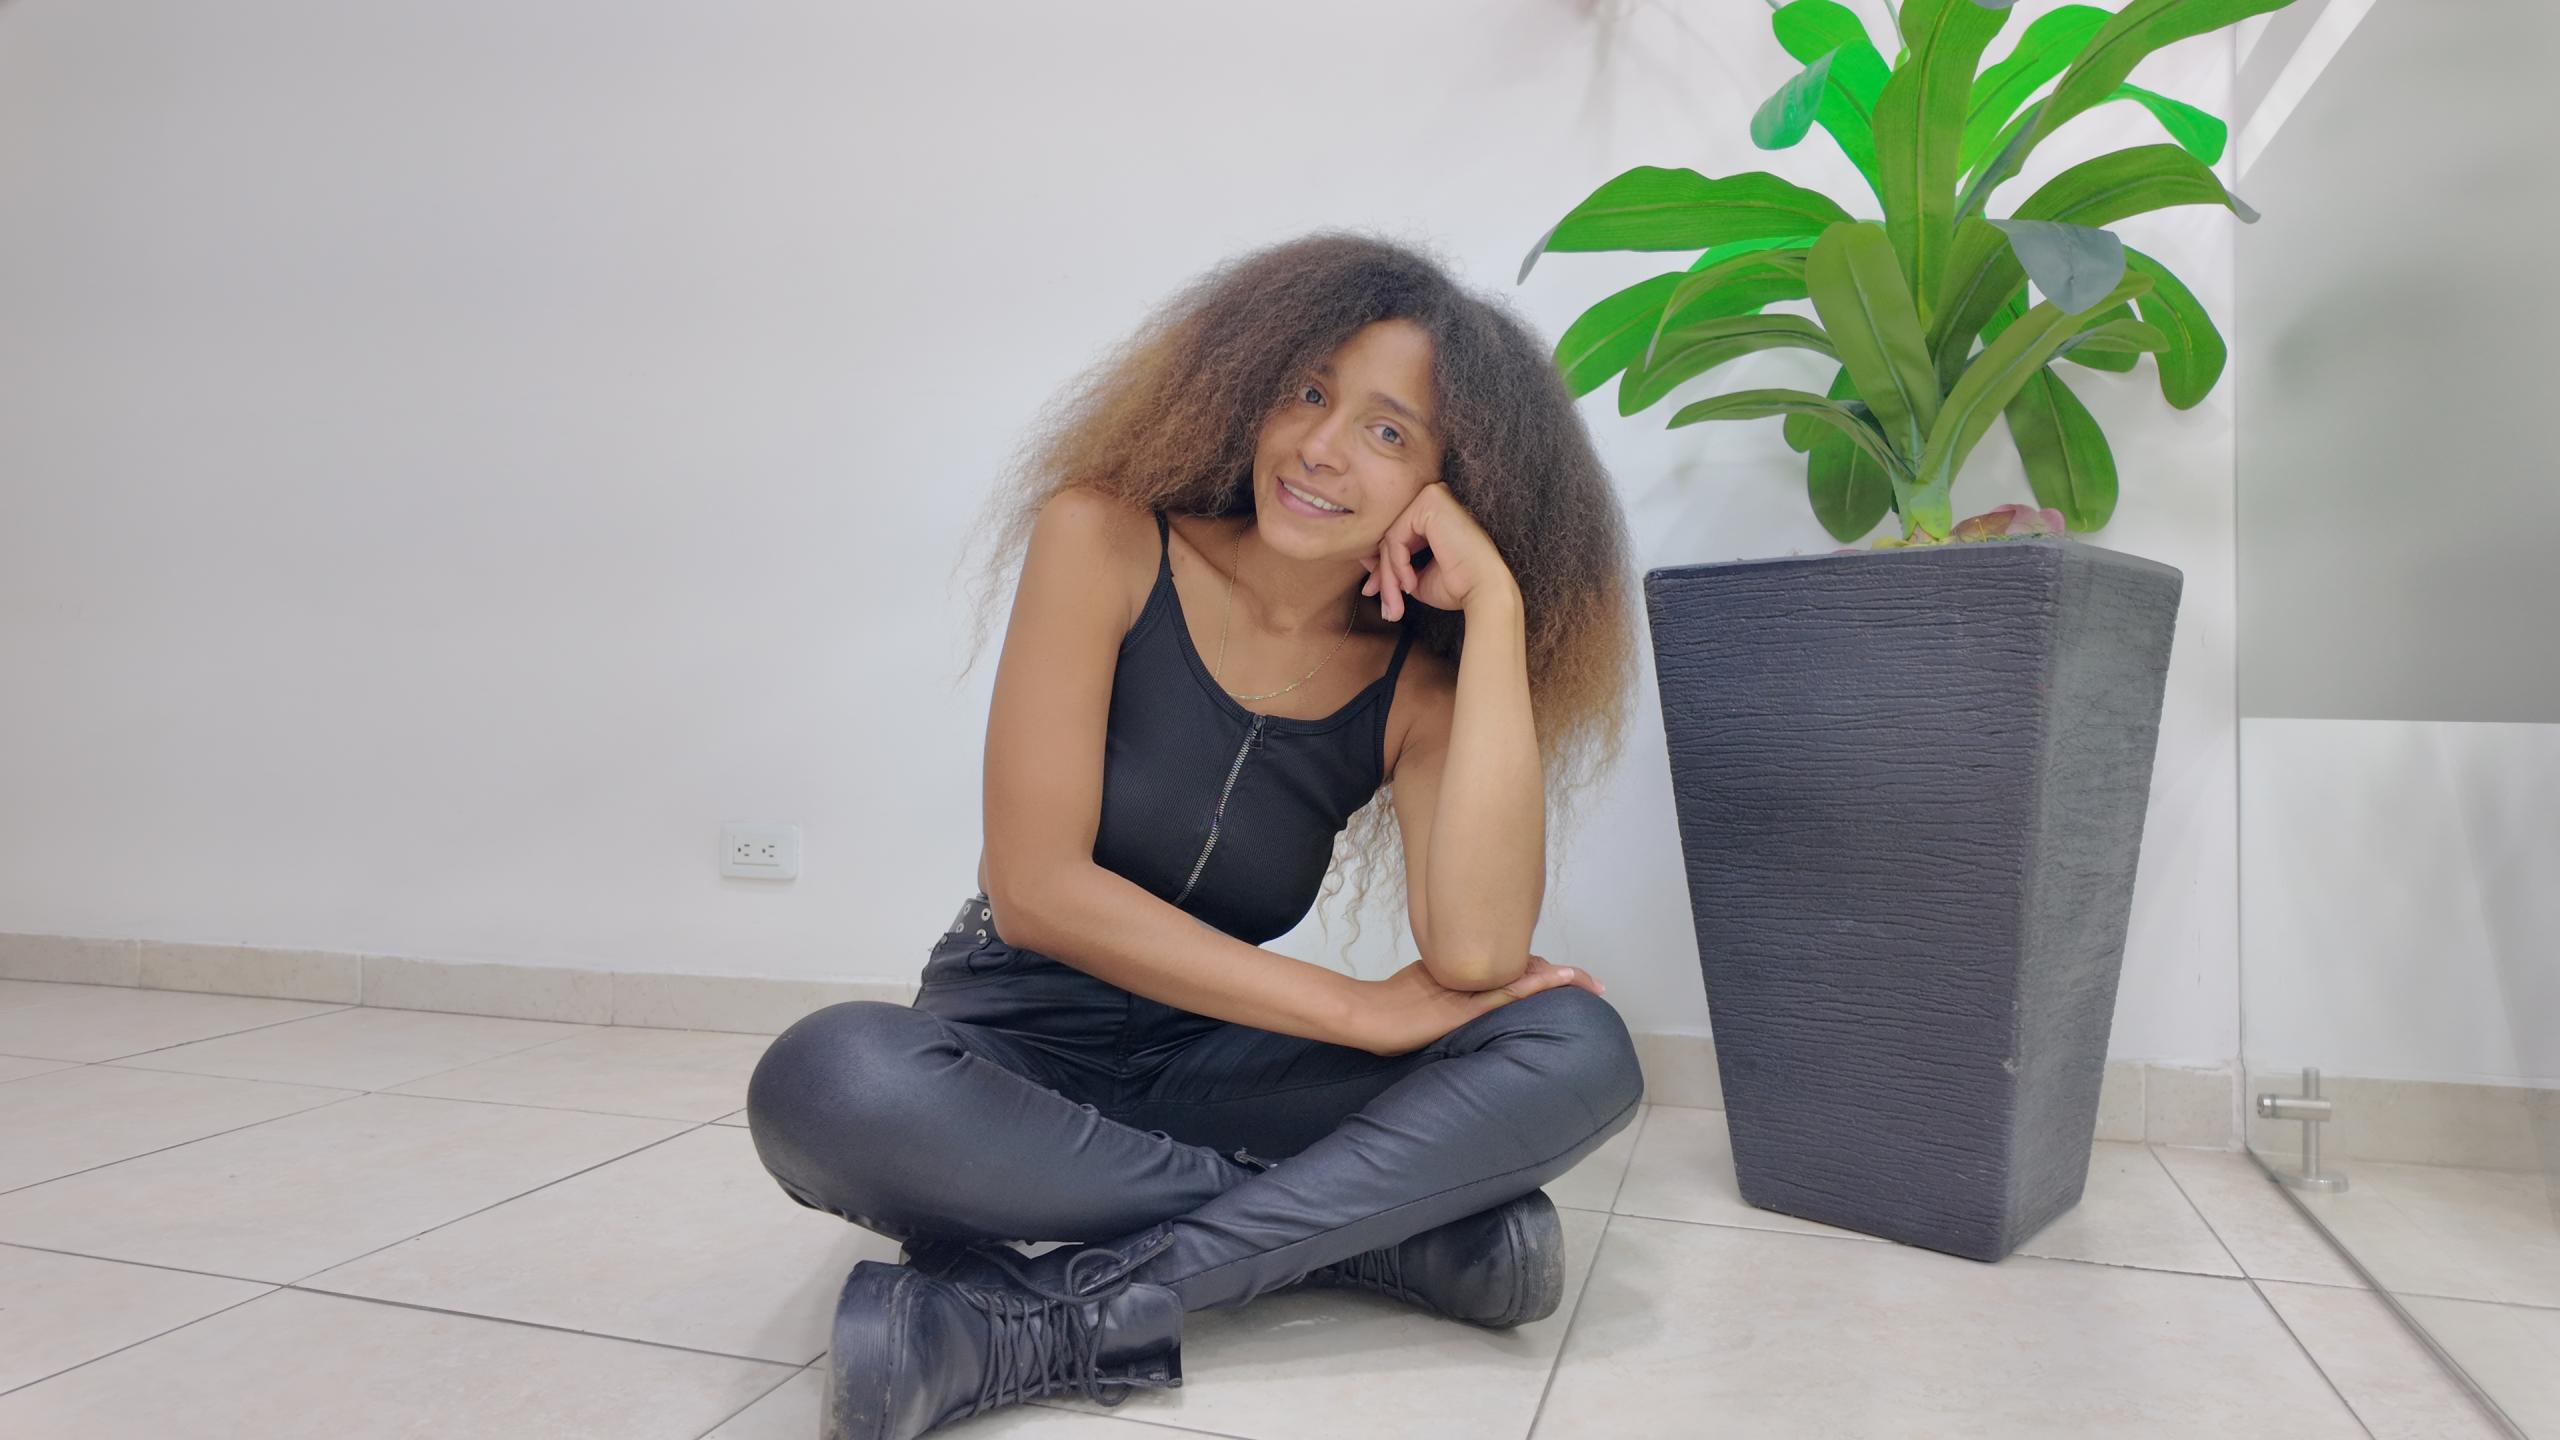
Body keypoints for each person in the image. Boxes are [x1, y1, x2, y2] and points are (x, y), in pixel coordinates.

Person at [745, 231, 1646, 1440]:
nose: (1321, 447)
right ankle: (1369, 1241)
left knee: (1575, 1042)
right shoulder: (1104, 538)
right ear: (1247, 387)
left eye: (1389, 432)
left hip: (1213, 1072)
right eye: (1307, 392)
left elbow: (1478, 956)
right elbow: (1037, 891)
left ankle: (1039, 1323)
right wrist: (1354, 1010)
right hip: (1015, 1049)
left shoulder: (1420, 693)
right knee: (830, 1081)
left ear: (1454, 482)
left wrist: (1493, 608)